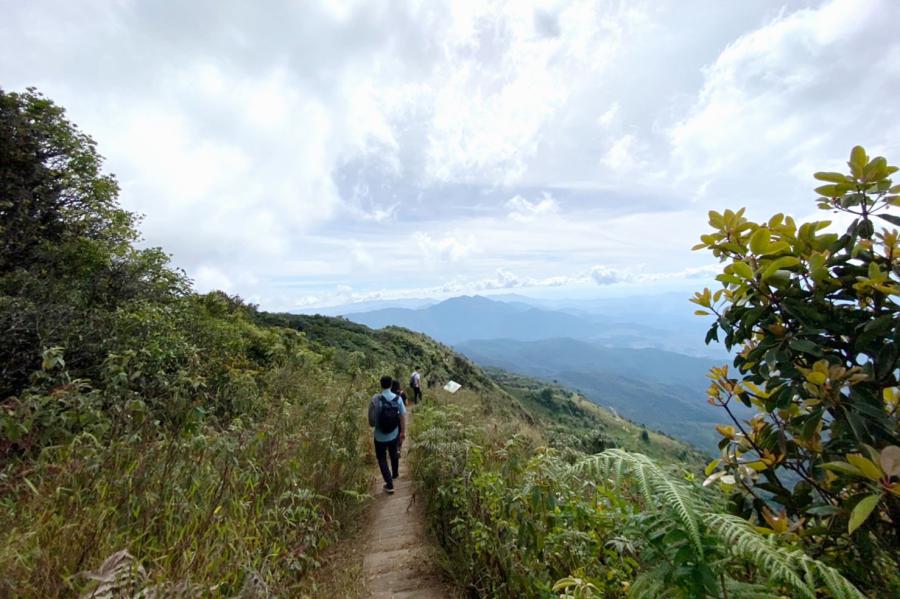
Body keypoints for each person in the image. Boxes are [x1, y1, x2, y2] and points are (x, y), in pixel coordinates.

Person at [368, 375, 407, 494]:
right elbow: (402, 416)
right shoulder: (397, 398)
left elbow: (371, 421)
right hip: (394, 433)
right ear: (391, 385)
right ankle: (395, 474)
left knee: (382, 459)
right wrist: (402, 432)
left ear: (381, 384)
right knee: (393, 453)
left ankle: (389, 484)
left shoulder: (375, 399)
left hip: (379, 436)